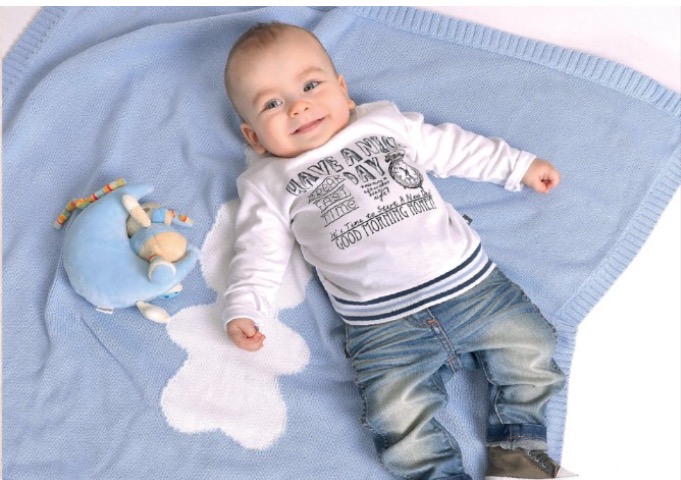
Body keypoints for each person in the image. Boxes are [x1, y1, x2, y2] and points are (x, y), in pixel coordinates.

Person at [221, 21, 576, 480]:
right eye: (272, 104)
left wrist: (516, 165)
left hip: (471, 288)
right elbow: (257, 252)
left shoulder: (383, 124)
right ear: (253, 137)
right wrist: (244, 306)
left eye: (310, 86)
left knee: (532, 346)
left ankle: (518, 455)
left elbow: (452, 147)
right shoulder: (268, 183)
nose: (298, 106)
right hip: (382, 328)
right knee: (395, 420)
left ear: (343, 90)